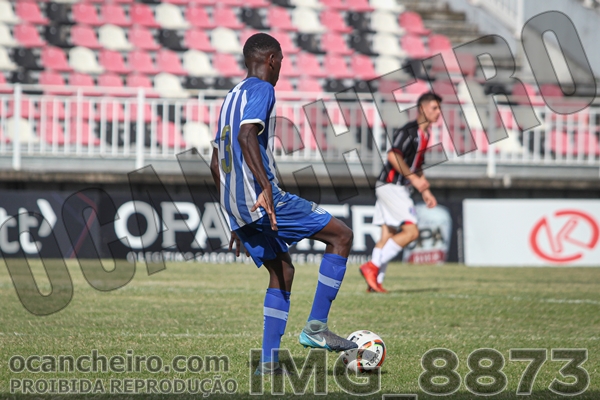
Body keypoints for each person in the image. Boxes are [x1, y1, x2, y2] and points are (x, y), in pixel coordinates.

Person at [209, 33, 357, 376]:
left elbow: (216, 163)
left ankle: (268, 363)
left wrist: (234, 218)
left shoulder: (231, 97)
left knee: (282, 271)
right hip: (261, 199)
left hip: (238, 206)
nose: (281, 68)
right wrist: (265, 189)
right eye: (282, 62)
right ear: (272, 60)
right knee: (341, 236)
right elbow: (246, 135)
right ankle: (316, 328)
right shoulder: (262, 89)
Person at [359, 92, 441, 293]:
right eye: (434, 108)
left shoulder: (425, 134)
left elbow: (417, 165)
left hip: (390, 186)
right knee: (412, 232)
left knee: (387, 235)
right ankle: (372, 266)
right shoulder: (409, 131)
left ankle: (375, 283)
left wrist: (425, 191)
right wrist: (413, 179)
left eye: (439, 108)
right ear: (421, 109)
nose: (438, 112)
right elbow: (393, 156)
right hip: (392, 186)